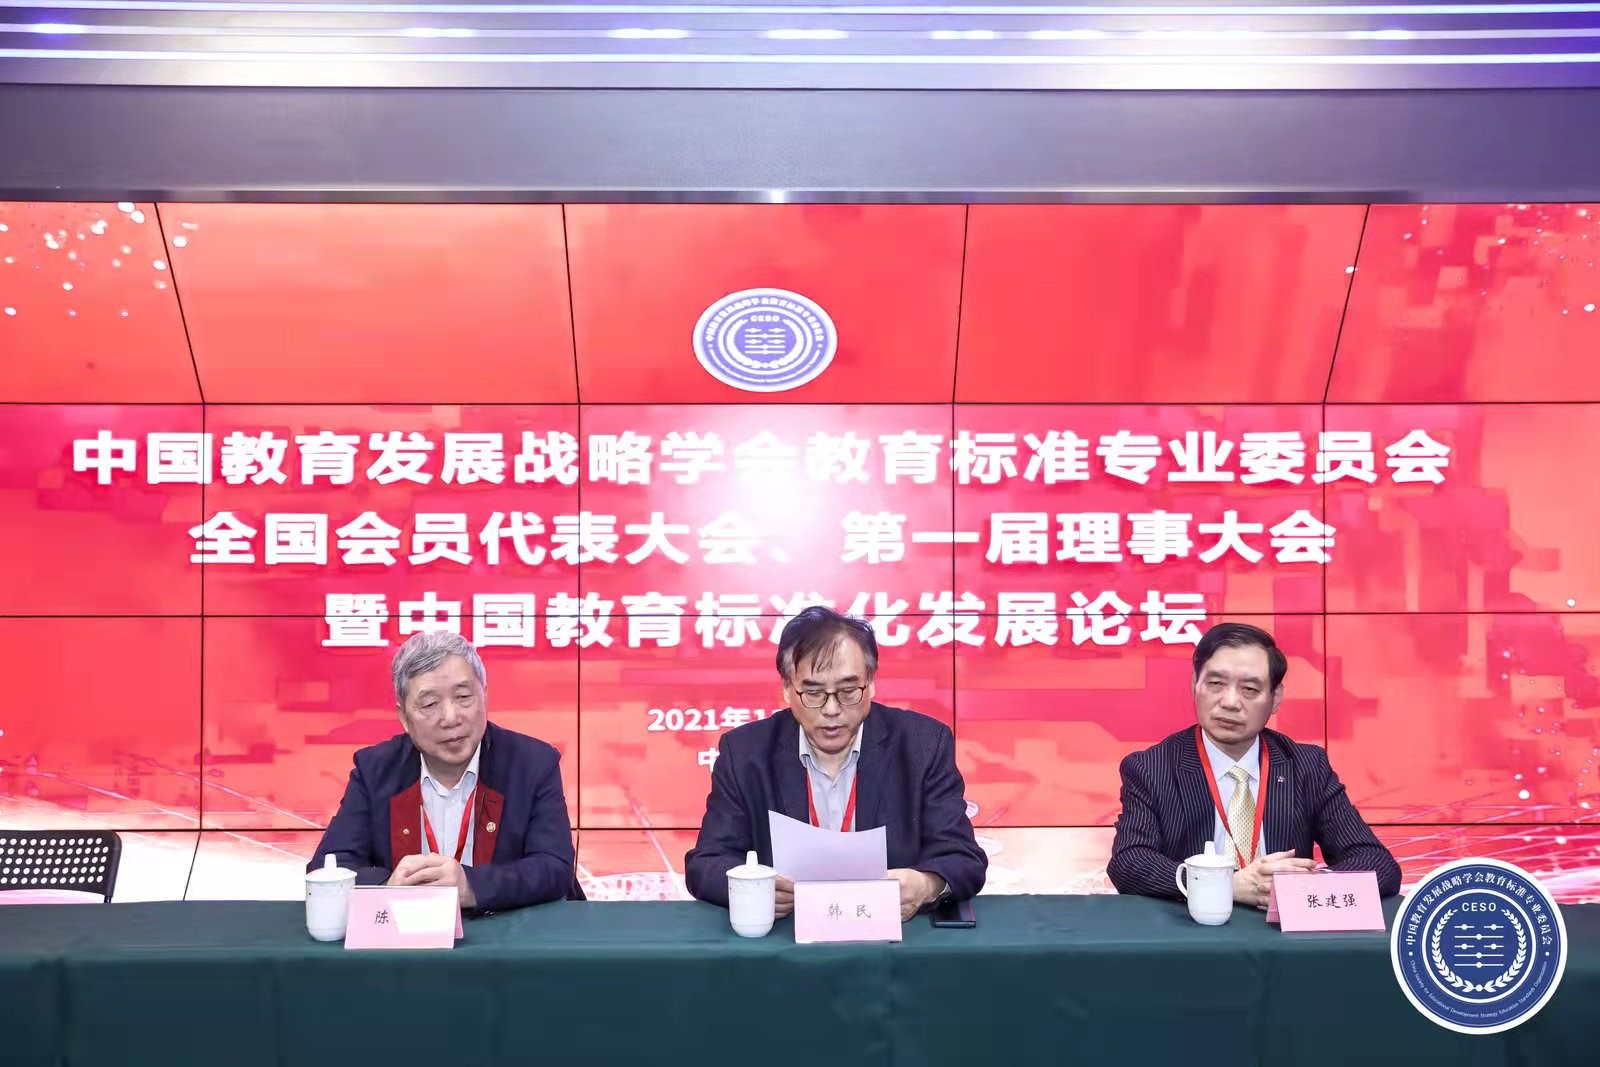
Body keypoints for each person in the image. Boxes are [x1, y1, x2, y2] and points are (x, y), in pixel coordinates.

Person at [685, 606, 987, 920]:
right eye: (813, 692)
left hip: (891, 936)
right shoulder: (745, 752)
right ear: (787, 689)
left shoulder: (923, 745)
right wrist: (752, 888)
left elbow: (962, 856)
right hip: (787, 937)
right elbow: (707, 863)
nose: (831, 709)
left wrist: (927, 884)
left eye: (848, 690)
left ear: (871, 683)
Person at [1107, 622, 1401, 907]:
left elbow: (1377, 864)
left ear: (1275, 698)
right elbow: (1129, 862)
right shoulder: (1152, 768)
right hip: (1192, 928)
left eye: (1249, 689)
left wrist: (1300, 887)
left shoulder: (1306, 766)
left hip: (1281, 932)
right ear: (1194, 684)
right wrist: (1222, 884)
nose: (1230, 702)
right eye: (1216, 684)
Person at [309, 630, 576, 912]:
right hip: (407, 932)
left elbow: (554, 867)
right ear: (404, 717)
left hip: (506, 933)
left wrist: (472, 886)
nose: (450, 718)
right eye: (430, 704)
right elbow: (328, 867)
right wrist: (387, 887)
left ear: (484, 696)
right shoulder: (375, 769)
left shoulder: (533, 764)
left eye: (463, 696)